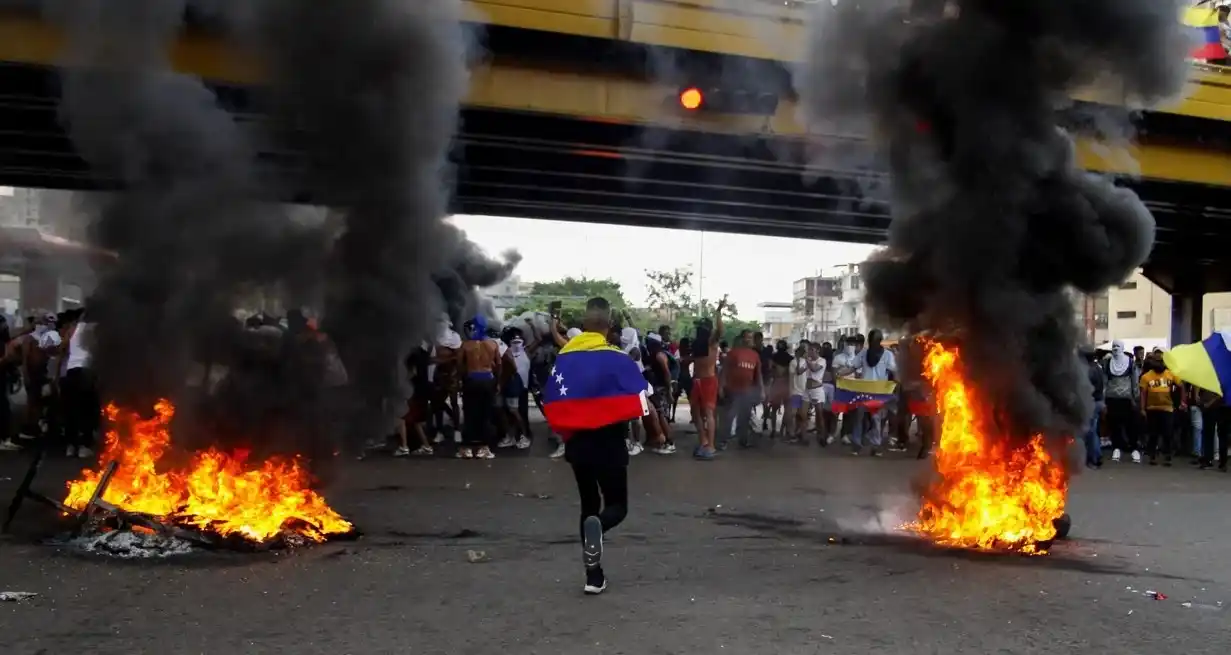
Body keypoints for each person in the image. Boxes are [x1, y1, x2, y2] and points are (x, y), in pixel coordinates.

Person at [541, 297, 649, 595]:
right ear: (609, 325)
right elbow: (641, 401)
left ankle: (593, 576)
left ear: (585, 323)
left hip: (578, 445)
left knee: (588, 505)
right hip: (611, 444)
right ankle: (598, 529)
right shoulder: (618, 358)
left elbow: (550, 398)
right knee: (617, 506)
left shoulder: (565, 357)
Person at [457, 315, 500, 460]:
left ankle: (466, 448)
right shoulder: (493, 344)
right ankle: (484, 448)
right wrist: (497, 382)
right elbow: (498, 365)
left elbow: (460, 365)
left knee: (469, 414)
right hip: (487, 380)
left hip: (471, 380)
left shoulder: (466, 345)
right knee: (486, 415)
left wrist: (462, 379)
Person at [851, 329, 896, 457]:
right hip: (864, 392)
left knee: (876, 419)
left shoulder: (887, 355)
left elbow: (894, 370)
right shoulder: (863, 354)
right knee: (859, 417)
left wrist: (896, 384)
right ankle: (856, 444)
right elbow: (853, 366)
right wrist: (840, 374)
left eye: (876, 340)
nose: (873, 342)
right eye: (872, 340)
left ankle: (875, 446)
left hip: (879, 393)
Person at [690, 301, 724, 460]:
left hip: (708, 380)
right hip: (697, 380)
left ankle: (710, 445)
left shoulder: (712, 341)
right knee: (695, 412)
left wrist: (718, 311)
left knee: (709, 413)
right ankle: (703, 441)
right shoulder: (698, 344)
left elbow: (720, 330)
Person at [717, 329, 763, 449]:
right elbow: (725, 371)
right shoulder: (733, 353)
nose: (749, 340)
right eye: (747, 337)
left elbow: (758, 375)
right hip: (733, 390)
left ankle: (743, 440)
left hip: (747, 391)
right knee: (729, 416)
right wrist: (721, 387)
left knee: (745, 417)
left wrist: (761, 390)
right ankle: (723, 441)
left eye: (751, 337)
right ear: (742, 339)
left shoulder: (755, 355)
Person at [1139, 353, 1181, 466]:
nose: (1159, 364)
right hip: (1152, 408)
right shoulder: (1146, 376)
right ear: (1153, 363)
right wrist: (1142, 409)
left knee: (1168, 433)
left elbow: (1181, 386)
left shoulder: (1171, 374)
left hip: (1167, 408)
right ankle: (1153, 456)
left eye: (1161, 361)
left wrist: (1182, 401)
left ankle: (1167, 456)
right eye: (1157, 361)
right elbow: (1143, 393)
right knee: (1153, 433)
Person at [1103, 340, 1140, 463]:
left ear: (1123, 348)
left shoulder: (1130, 362)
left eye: (1118, 346)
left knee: (1131, 425)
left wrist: (1135, 398)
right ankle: (1116, 449)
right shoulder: (1107, 363)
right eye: (1113, 346)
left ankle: (1134, 449)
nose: (1115, 349)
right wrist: (1104, 399)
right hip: (1111, 399)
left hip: (1127, 399)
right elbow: (1104, 381)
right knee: (1114, 426)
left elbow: (1134, 381)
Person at [1081, 345, 1105, 468]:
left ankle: (1094, 458)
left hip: (1092, 403)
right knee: (1093, 430)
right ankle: (1096, 456)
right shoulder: (1098, 368)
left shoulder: (1089, 370)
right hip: (1099, 401)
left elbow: (1087, 389)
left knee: (1090, 432)